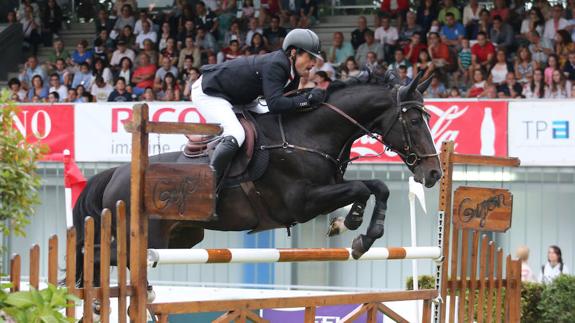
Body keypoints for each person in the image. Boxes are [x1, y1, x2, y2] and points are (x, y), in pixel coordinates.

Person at [192, 29, 326, 181]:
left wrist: (309, 96)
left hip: (239, 99)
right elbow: (276, 104)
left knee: (267, 122)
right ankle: (208, 182)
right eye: (310, 56)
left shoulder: (293, 72)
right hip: (210, 92)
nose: (314, 63)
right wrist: (307, 99)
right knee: (236, 133)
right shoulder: (277, 63)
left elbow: (288, 104)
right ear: (294, 52)